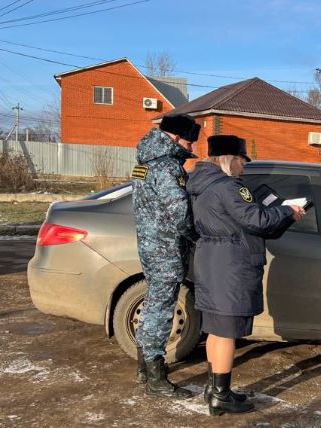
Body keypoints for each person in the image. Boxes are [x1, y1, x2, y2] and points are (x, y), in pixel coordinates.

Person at [187, 135, 305, 416]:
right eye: (242, 160)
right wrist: (287, 210)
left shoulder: (202, 185)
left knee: (215, 330)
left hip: (212, 261)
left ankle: (213, 388)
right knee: (226, 332)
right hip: (230, 266)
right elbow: (257, 220)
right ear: (230, 159)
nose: (244, 166)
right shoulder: (228, 187)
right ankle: (221, 394)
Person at [131, 113, 201, 399]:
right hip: (166, 251)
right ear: (175, 137)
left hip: (150, 246)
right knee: (160, 312)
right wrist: (197, 237)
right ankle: (156, 379)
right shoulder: (167, 167)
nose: (190, 145)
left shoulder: (145, 163)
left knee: (151, 308)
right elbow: (180, 214)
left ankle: (143, 369)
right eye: (188, 139)